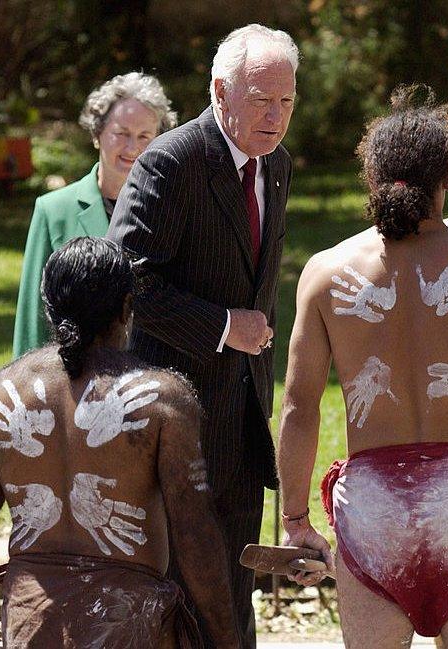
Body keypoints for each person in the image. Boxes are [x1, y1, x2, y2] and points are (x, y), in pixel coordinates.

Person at [275, 86, 448, 649]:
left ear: (370, 179)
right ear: (445, 182)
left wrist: (296, 518)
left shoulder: (326, 274)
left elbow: (299, 407)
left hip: (374, 503)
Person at [0, 237, 238, 649]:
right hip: (129, 623)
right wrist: (227, 640)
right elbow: (195, 532)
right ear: (125, 309)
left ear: (49, 306)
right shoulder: (162, 399)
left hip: (33, 625)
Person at [107, 24, 298, 648]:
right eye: (261, 99)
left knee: (231, 602)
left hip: (241, 420)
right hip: (172, 420)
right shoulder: (172, 161)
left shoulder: (279, 164)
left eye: (287, 102)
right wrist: (220, 327)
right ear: (220, 90)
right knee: (174, 599)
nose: (276, 116)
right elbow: (126, 278)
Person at [13, 72, 177, 358]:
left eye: (144, 136)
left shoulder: (173, 209)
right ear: (97, 134)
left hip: (152, 379)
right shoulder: (53, 210)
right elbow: (32, 318)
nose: (132, 148)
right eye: (121, 134)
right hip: (74, 377)